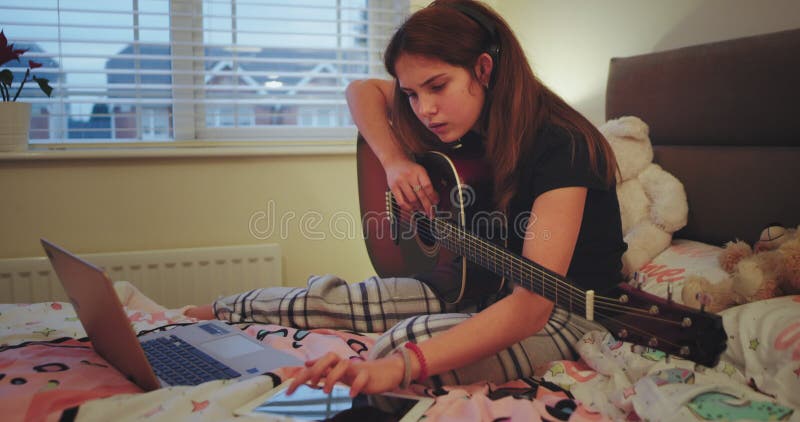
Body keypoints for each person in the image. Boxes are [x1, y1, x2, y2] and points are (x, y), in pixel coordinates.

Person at [186, 0, 626, 399]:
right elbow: (363, 91)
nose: (423, 109)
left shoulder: (561, 146)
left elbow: (532, 306)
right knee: (329, 301)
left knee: (400, 345)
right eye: (412, 94)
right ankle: (187, 319)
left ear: (485, 69)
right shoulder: (472, 128)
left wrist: (399, 366)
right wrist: (395, 161)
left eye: (437, 86)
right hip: (480, 285)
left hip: (566, 312)